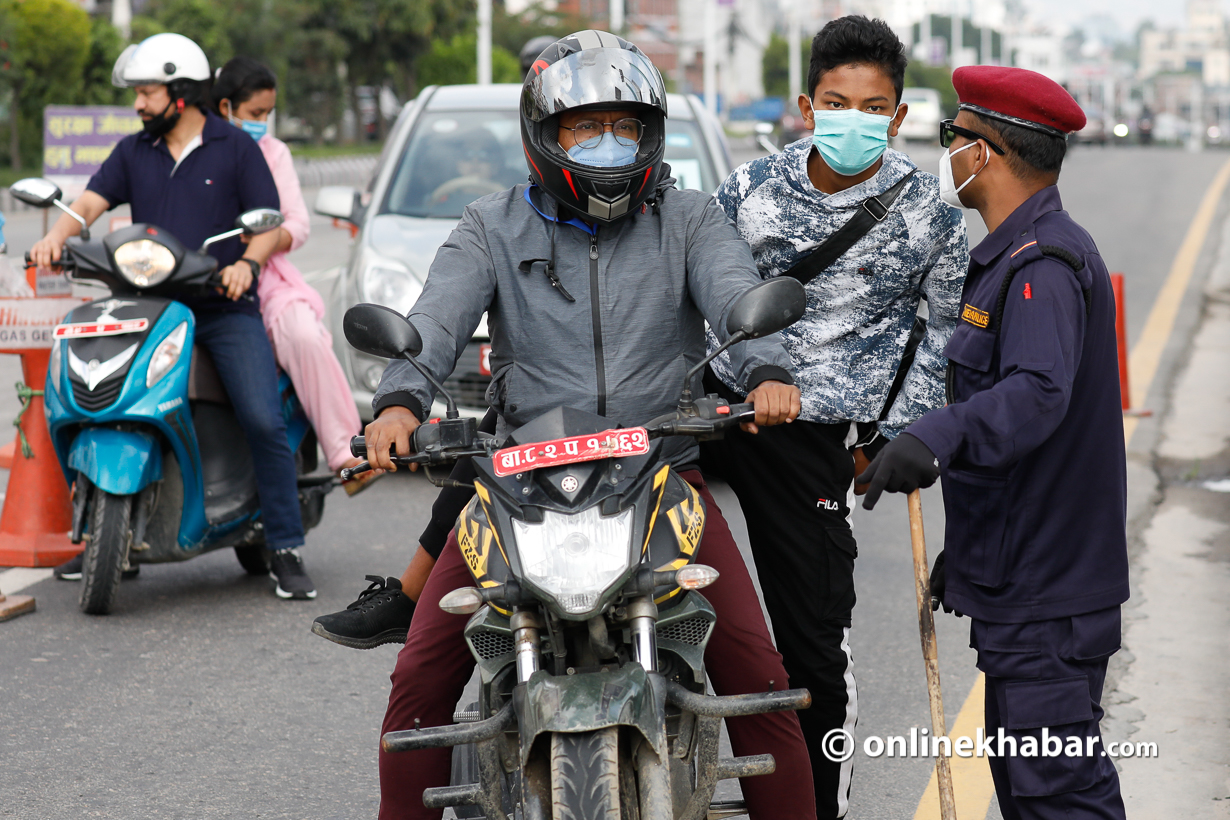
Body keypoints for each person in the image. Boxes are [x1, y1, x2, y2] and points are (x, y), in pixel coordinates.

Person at [346, 31, 818, 820]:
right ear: (543, 134)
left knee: (759, 679)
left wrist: (767, 370)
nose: (608, 143)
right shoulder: (489, 226)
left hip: (661, 473)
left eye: (625, 126)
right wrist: (400, 403)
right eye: (584, 126)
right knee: (420, 679)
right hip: (520, 481)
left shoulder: (692, 219)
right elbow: (432, 321)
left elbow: (738, 292)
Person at [692, 17, 967, 818]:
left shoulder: (930, 214)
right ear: (808, 107)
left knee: (811, 639)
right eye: (839, 103)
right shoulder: (747, 190)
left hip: (814, 438)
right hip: (718, 410)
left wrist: (896, 431)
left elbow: (942, 330)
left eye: (874, 107)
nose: (856, 120)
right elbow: (703, 293)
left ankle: (818, 805)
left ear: (900, 115)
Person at [859, 65, 1128, 820]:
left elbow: (1038, 394)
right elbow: (1029, 449)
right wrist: (972, 556)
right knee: (1028, 794)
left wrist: (933, 436)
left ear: (983, 152)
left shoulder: (1040, 264)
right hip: (1025, 581)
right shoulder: (1019, 255)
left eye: (953, 137)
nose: (945, 154)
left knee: (1059, 797)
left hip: (1048, 597)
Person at [31, 33, 316, 600]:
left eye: (146, 93)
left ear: (181, 94)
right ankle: (103, 532)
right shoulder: (134, 150)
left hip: (221, 309)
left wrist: (247, 267)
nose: (138, 105)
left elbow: (265, 224)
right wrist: (56, 237)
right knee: (92, 396)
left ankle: (285, 544)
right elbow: (89, 203)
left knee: (262, 417)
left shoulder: (236, 147)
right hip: (149, 306)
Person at [211, 57, 369, 492]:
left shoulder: (273, 153)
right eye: (254, 114)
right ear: (224, 106)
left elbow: (295, 225)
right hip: (201, 280)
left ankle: (346, 454)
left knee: (304, 334)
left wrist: (256, 248)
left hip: (267, 282)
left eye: (267, 114)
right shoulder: (199, 150)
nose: (261, 123)